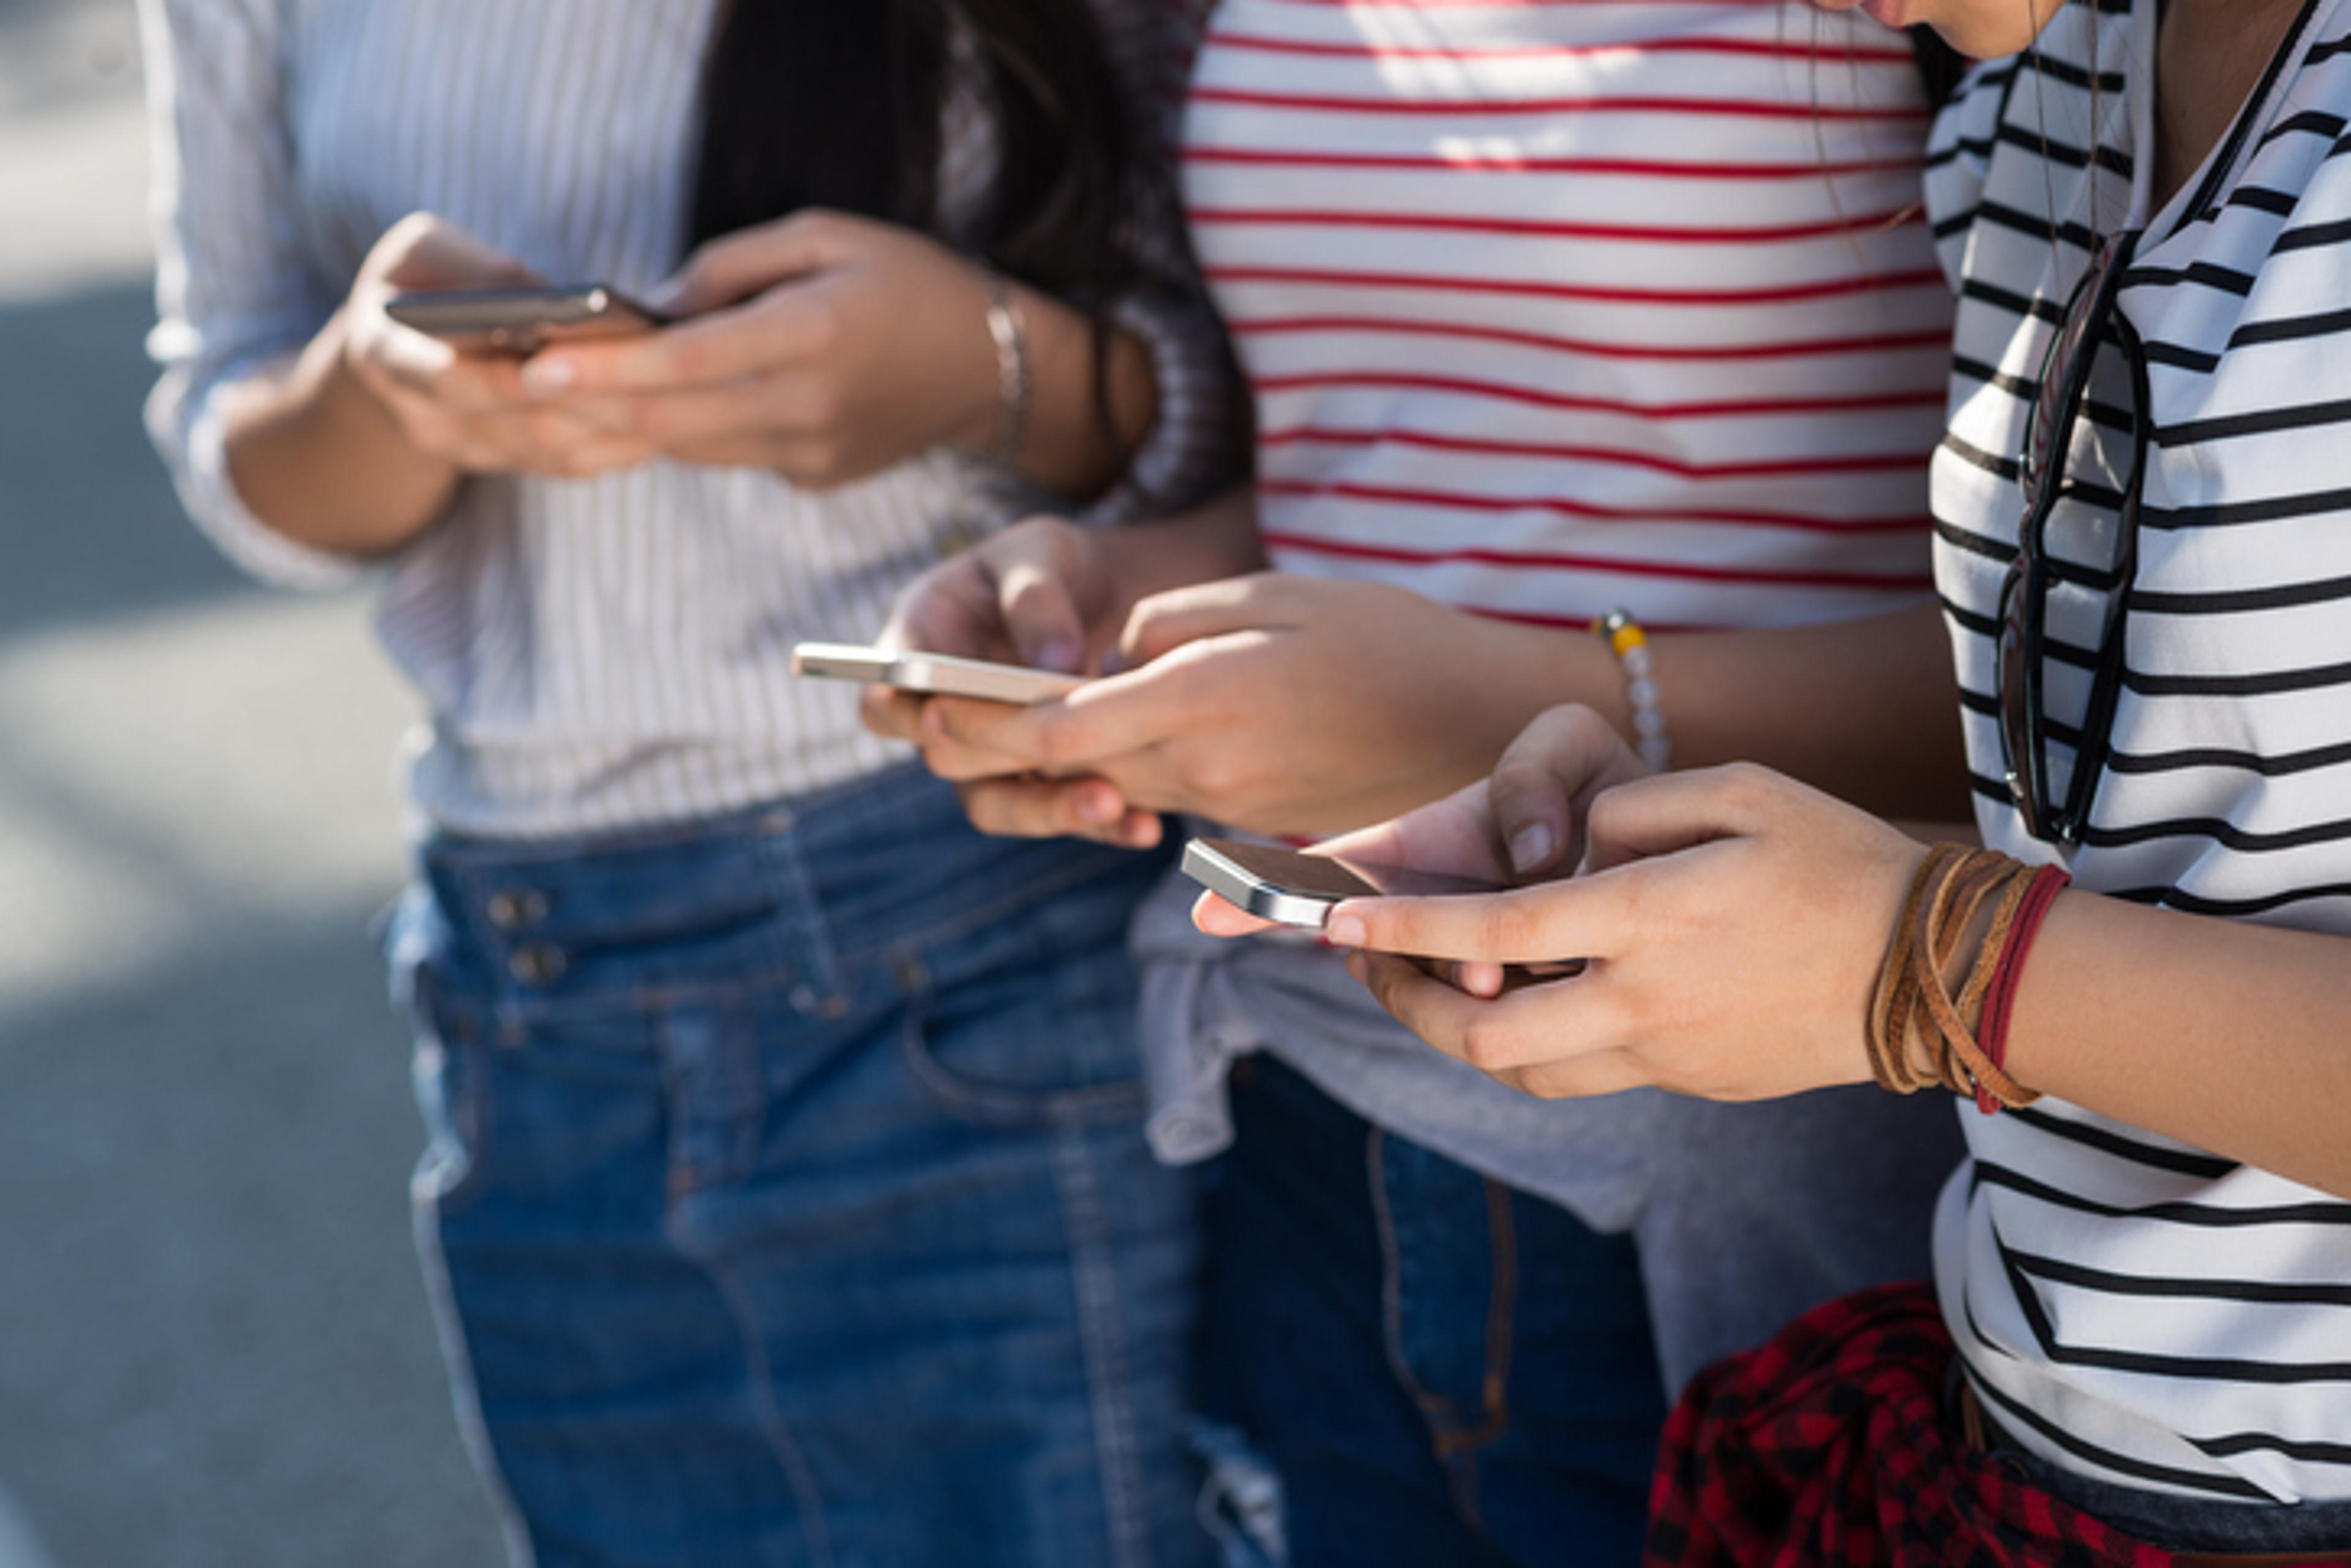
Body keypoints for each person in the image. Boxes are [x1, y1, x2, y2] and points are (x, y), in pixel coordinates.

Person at [138, 2, 1244, 1563]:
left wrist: (985, 367)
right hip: (526, 987)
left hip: (970, 925)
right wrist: (380, 394)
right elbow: (232, 415)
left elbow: (1299, 406)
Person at [870, 6, 1977, 1561]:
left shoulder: (1964, 27)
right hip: (1304, 1080)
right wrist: (1117, 597)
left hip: (1696, 1148)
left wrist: (1506, 702)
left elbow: (2100, 662)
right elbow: (1385, 456)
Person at [1249, 0, 2351, 1558]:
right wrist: (1692, 863)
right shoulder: (2042, 90)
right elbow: (2171, 812)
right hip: (2027, 1463)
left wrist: (1916, 961)